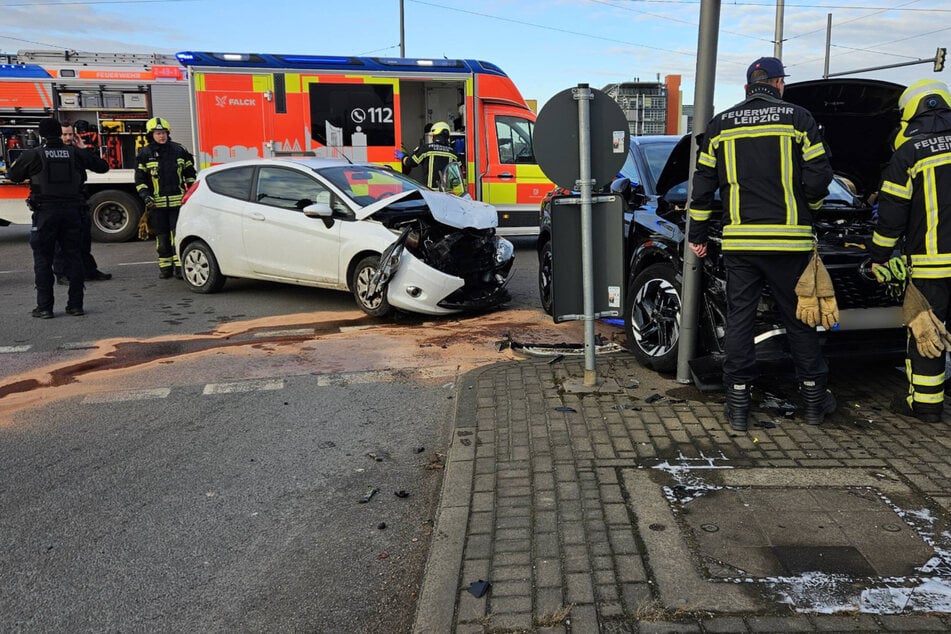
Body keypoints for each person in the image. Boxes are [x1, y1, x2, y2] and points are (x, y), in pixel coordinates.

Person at [687, 56, 836, 431]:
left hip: (741, 244)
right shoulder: (798, 119)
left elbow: (702, 187)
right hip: (791, 243)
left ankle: (737, 403)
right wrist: (809, 208)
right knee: (800, 321)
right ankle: (815, 402)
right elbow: (819, 178)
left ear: (747, 88)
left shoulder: (720, 125)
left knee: (740, 320)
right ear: (779, 84)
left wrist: (698, 236)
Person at [869, 79, 951, 423]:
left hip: (933, 266)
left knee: (927, 332)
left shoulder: (911, 152)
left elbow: (891, 215)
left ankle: (927, 406)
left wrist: (879, 255)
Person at [7, 118, 109, 318]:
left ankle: (45, 307)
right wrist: (84, 148)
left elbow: (14, 175)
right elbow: (102, 167)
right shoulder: (75, 153)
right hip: (73, 213)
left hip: (46, 213)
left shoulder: (34, 154)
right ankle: (75, 305)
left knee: (43, 259)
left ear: (41, 134)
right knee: (74, 257)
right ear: (60, 133)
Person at [134, 117, 196, 279]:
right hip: (157, 206)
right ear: (151, 135)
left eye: (163, 133)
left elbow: (190, 174)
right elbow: (140, 180)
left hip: (177, 204)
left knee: (177, 237)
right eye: (158, 133)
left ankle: (179, 269)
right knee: (161, 239)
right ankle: (165, 268)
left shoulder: (179, 150)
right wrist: (146, 196)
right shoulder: (145, 154)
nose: (161, 136)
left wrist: (190, 194)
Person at [53, 123, 112, 284]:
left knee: (84, 239)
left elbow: (101, 167)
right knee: (61, 240)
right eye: (64, 135)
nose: (68, 138)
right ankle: (62, 273)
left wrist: (83, 148)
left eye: (71, 134)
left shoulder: (76, 152)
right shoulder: (51, 153)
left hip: (77, 199)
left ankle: (88, 270)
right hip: (58, 201)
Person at [400, 121, 459, 190]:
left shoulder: (426, 149)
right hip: (447, 194)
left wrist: (402, 156)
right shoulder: (453, 153)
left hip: (430, 192)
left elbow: (410, 163)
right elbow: (457, 177)